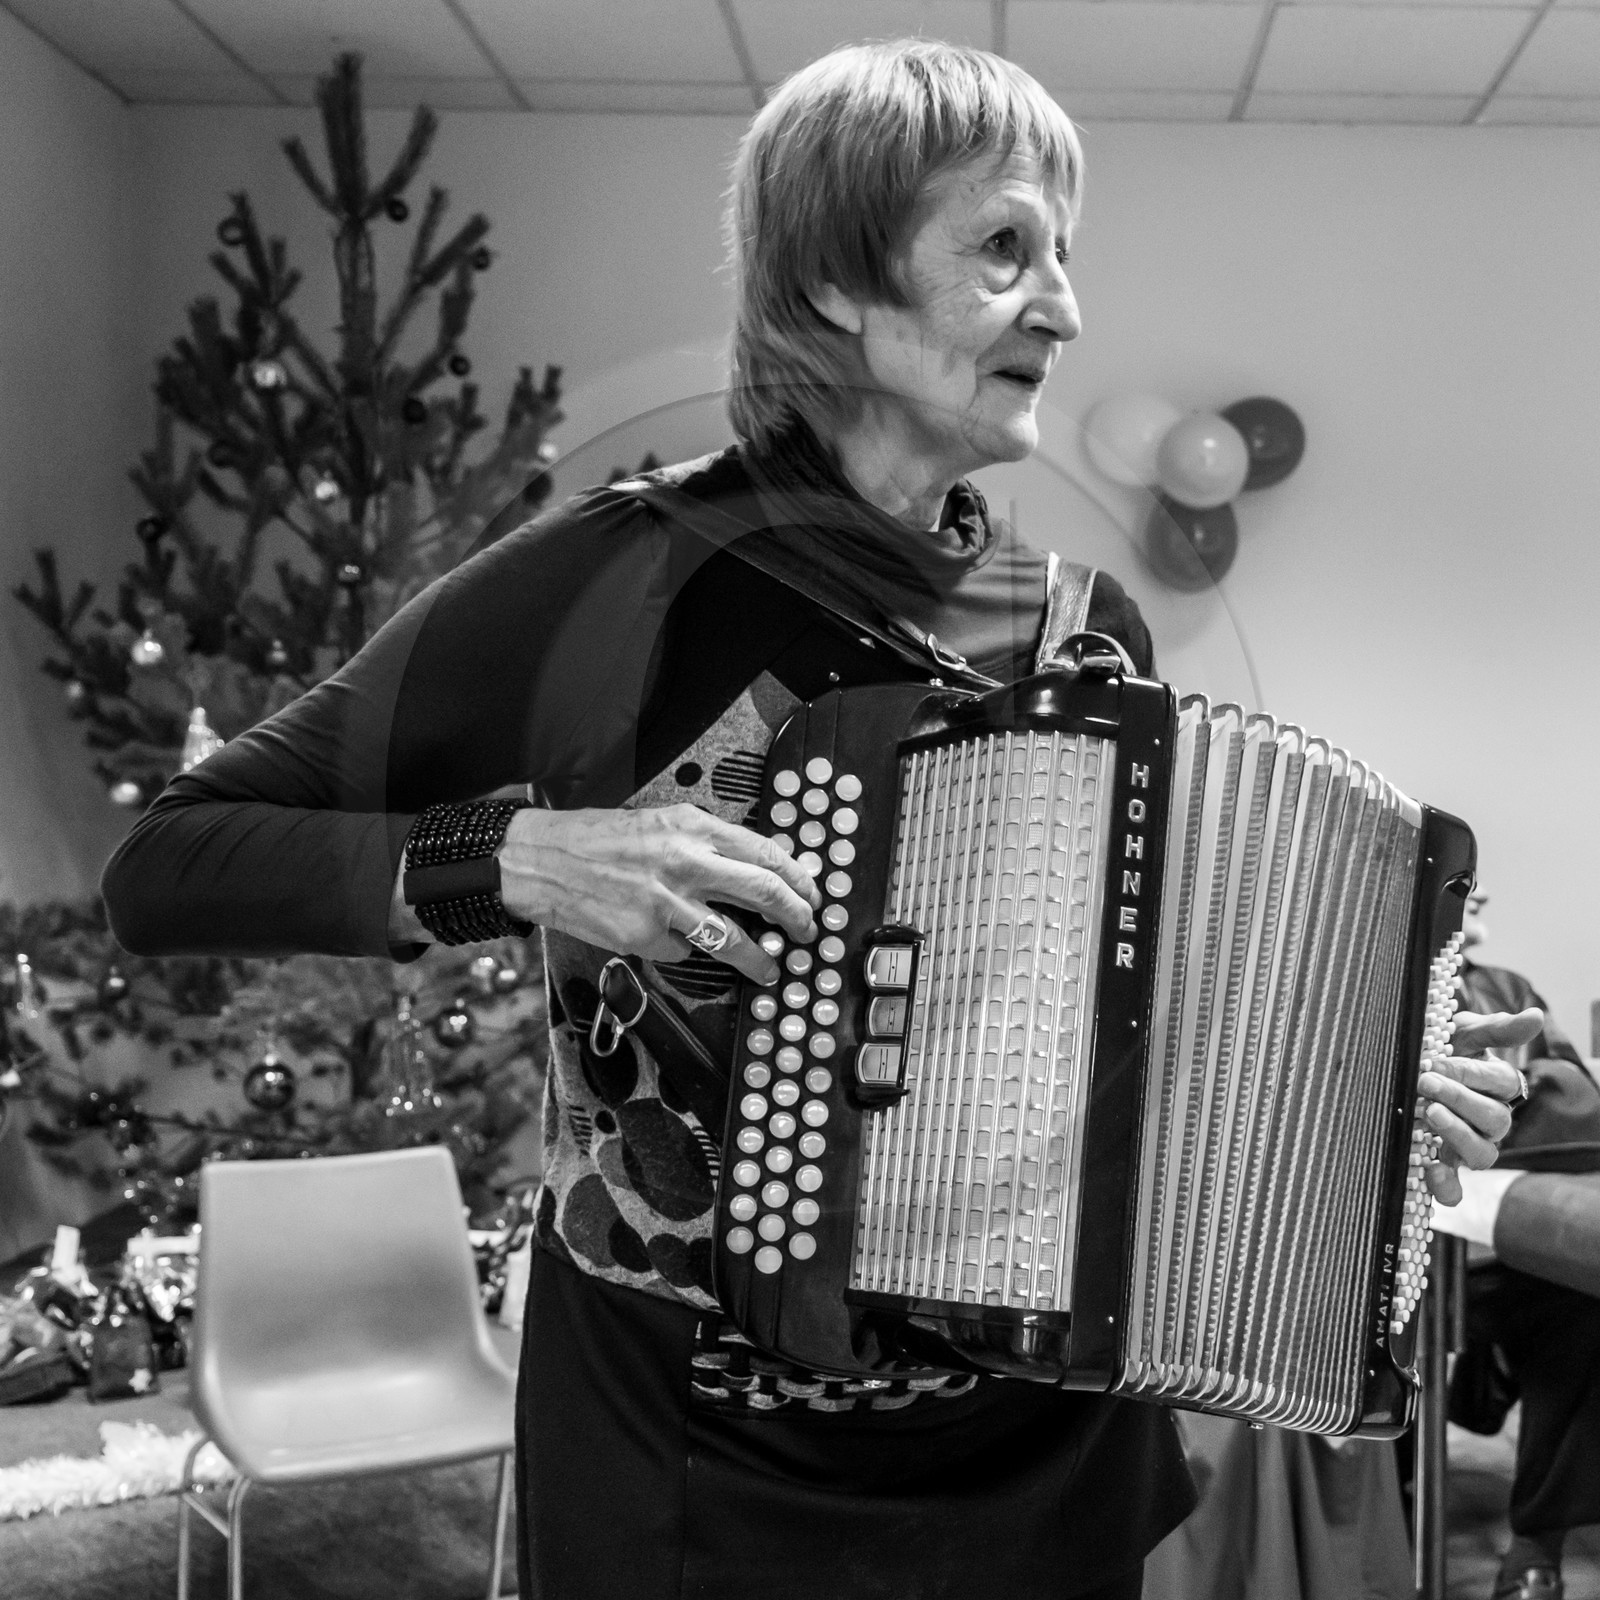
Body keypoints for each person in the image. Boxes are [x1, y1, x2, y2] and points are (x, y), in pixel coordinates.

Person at [99, 40, 1532, 1600]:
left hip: (1035, 1457)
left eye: (1064, 253)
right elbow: (170, 860)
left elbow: (1127, 1029)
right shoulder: (619, 581)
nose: (1061, 305)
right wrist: (519, 857)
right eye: (1002, 248)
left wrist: (1355, 1100)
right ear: (839, 279)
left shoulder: (1083, 628)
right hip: (699, 1458)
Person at [1450, 890, 1600, 1600]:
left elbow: (1581, 1097)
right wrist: (1524, 1095)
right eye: (1461, 881)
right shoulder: (1381, 983)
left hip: (1509, 1246)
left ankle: (1537, 1540)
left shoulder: (1508, 991)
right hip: (1404, 1248)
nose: (1479, 891)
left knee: (1584, 1303)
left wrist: (1512, 1095)